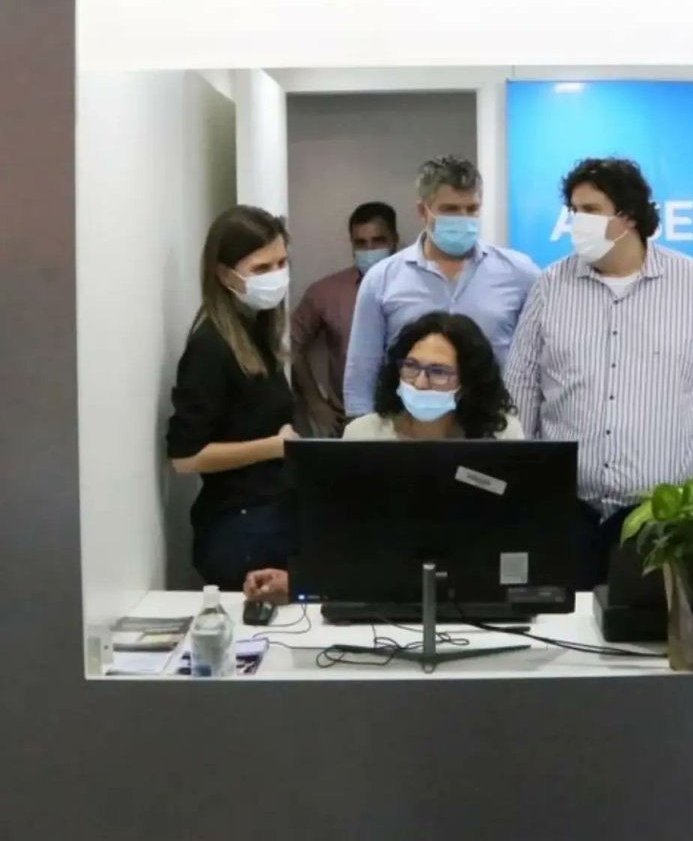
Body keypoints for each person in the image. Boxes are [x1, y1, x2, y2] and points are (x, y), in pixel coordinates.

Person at [505, 156, 693, 591]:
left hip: (664, 516)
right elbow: (521, 387)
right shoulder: (550, 286)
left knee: (655, 626)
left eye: (590, 211)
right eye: (573, 211)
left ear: (627, 217)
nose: (576, 222)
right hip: (569, 511)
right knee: (564, 625)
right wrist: (517, 478)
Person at [244, 311, 523, 603]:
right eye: (411, 367)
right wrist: (302, 580)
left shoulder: (501, 435)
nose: (420, 382)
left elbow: (516, 530)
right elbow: (337, 539)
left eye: (438, 372)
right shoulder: (364, 434)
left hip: (479, 593)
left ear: (467, 384)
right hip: (376, 596)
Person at [342, 155, 538, 417]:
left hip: (492, 426)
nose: (463, 219)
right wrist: (362, 433)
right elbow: (361, 373)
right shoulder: (382, 279)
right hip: (407, 428)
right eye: (450, 210)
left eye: (471, 209)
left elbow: (538, 365)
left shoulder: (520, 273)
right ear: (423, 211)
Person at [166, 205, 298, 591]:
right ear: (226, 275)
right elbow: (186, 457)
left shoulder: (255, 332)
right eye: (261, 268)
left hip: (271, 512)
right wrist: (275, 447)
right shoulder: (211, 346)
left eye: (281, 263)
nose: (276, 275)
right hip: (240, 527)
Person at [290, 201, 399, 436]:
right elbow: (290, 344)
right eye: (361, 243)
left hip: (407, 420)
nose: (369, 249)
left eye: (378, 241)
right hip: (348, 421)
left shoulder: (418, 290)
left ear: (394, 240)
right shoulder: (327, 293)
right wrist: (315, 402)